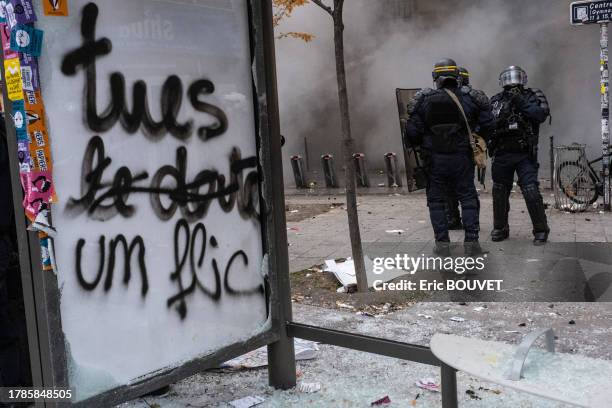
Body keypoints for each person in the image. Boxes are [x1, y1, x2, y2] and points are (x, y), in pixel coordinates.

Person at [404, 58, 495, 255]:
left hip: (435, 160)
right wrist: (475, 138)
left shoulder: (425, 101)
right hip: (462, 157)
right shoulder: (469, 99)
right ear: (457, 77)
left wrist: (425, 141)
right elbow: (489, 123)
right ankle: (472, 243)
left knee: (436, 201)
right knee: (468, 198)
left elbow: (411, 132)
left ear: (436, 78)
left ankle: (442, 244)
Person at [489, 66, 550, 245]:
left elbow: (540, 115)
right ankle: (500, 228)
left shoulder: (533, 95)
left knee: (531, 190)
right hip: (501, 153)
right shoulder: (496, 100)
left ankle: (541, 230)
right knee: (499, 191)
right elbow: (488, 122)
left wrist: (520, 101)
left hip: (524, 155)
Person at [444, 66, 474, 230]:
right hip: (464, 150)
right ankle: (468, 223)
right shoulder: (471, 97)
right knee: (465, 189)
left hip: (454, 150)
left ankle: (454, 218)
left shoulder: (465, 98)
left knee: (454, 188)